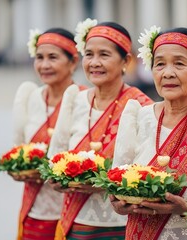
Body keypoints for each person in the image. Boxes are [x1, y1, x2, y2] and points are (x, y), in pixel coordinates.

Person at [47, 19, 153, 239]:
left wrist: (104, 183)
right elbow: (53, 159)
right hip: (75, 223)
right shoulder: (75, 100)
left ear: (126, 60)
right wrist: (59, 178)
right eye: (89, 54)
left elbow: (147, 171)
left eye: (104, 55)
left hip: (121, 226)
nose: (94, 62)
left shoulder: (141, 106)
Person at [110, 27, 187, 240]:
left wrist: (186, 208)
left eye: (179, 63)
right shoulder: (138, 118)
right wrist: (118, 202)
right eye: (160, 64)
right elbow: (116, 185)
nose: (168, 73)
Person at [10, 27, 84, 240]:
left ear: (73, 62)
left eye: (53, 57)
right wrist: (19, 168)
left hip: (70, 214)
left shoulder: (83, 100)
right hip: (35, 210)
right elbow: (21, 148)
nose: (44, 65)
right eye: (39, 57)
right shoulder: (31, 98)